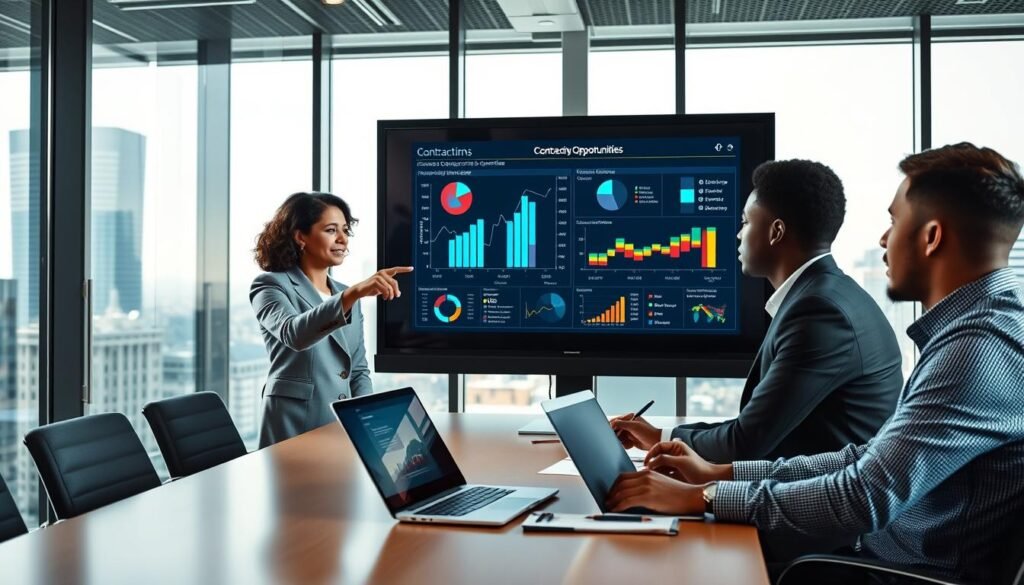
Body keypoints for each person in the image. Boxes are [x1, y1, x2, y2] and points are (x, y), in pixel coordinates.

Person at [605, 143, 1024, 585]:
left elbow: (864, 495)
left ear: (931, 237)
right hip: (881, 553)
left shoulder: (979, 349)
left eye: (894, 221)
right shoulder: (976, 329)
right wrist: (719, 474)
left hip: (899, 572)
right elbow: (866, 459)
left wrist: (704, 497)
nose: (883, 239)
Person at [613, 160, 903, 462]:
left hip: (818, 500)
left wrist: (664, 441)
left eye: (746, 222)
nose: (738, 235)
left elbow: (745, 442)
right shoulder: (827, 296)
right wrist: (661, 436)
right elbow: (756, 428)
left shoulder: (818, 313)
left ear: (776, 231)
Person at [251, 192, 412, 447]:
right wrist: (353, 294)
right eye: (330, 230)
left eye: (345, 230)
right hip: (293, 428)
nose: (342, 239)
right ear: (300, 236)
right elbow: (294, 334)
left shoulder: (344, 293)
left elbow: (357, 370)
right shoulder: (270, 285)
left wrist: (366, 422)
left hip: (342, 430)